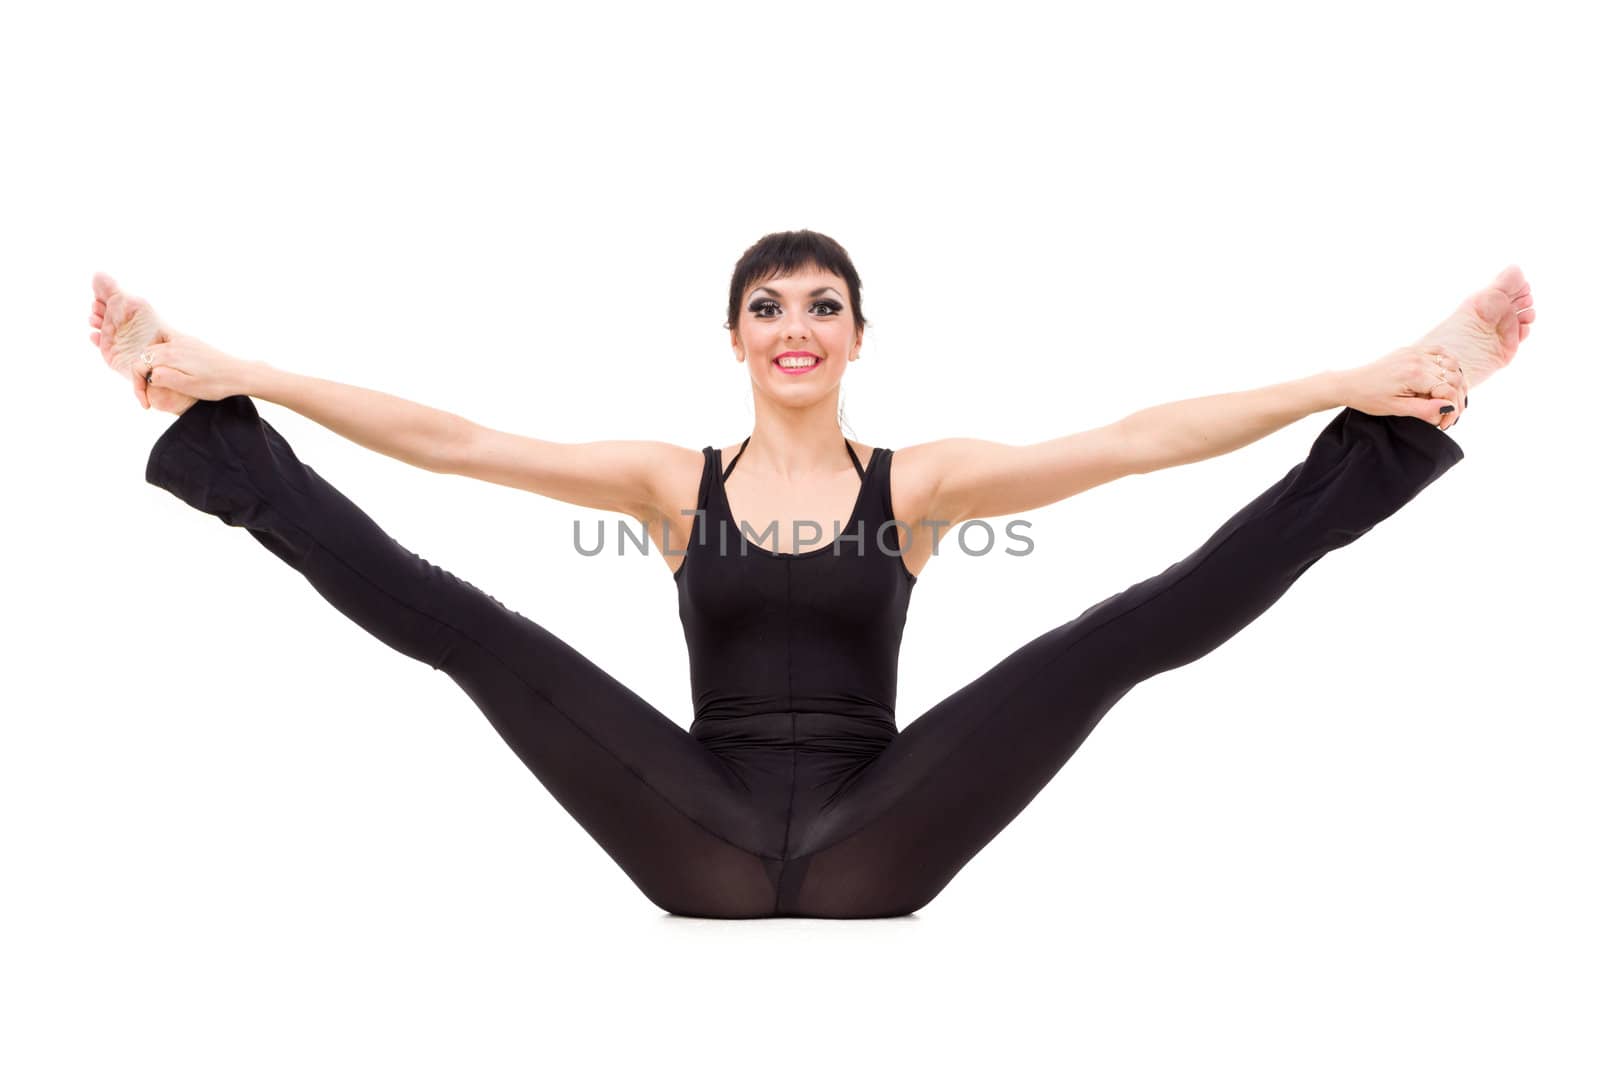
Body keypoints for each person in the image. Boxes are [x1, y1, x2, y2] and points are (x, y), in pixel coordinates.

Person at [87, 231, 1535, 919]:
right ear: (736, 340)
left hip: (877, 834)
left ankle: (1382, 441)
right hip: (694, 826)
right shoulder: (670, 485)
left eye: (823, 306)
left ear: (855, 338)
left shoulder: (922, 484)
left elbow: (1142, 439)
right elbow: (453, 441)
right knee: (474, 632)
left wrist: (1350, 377)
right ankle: (217, 439)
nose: (797, 325)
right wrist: (240, 369)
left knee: (1115, 640)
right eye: (768, 307)